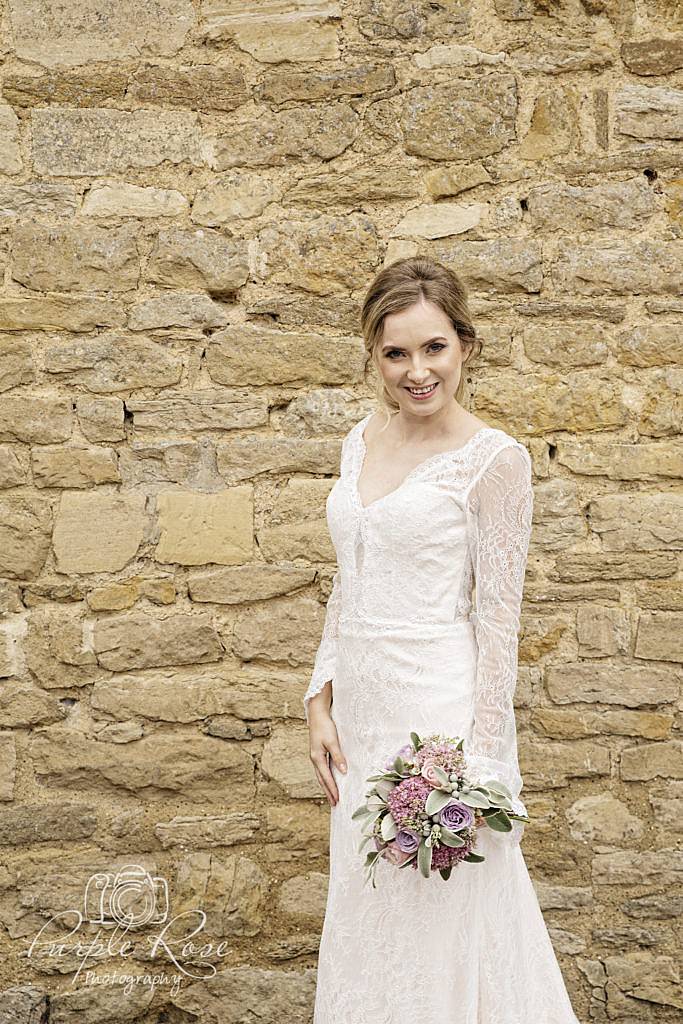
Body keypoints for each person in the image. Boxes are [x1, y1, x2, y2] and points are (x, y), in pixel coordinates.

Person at [303, 256, 581, 1023]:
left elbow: (498, 622)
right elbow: (349, 579)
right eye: (396, 353)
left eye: (433, 349)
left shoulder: (495, 461)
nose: (416, 371)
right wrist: (318, 700)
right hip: (359, 715)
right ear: (374, 357)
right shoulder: (359, 441)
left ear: (464, 345)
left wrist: (478, 766)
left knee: (445, 908)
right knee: (368, 906)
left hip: (438, 718)